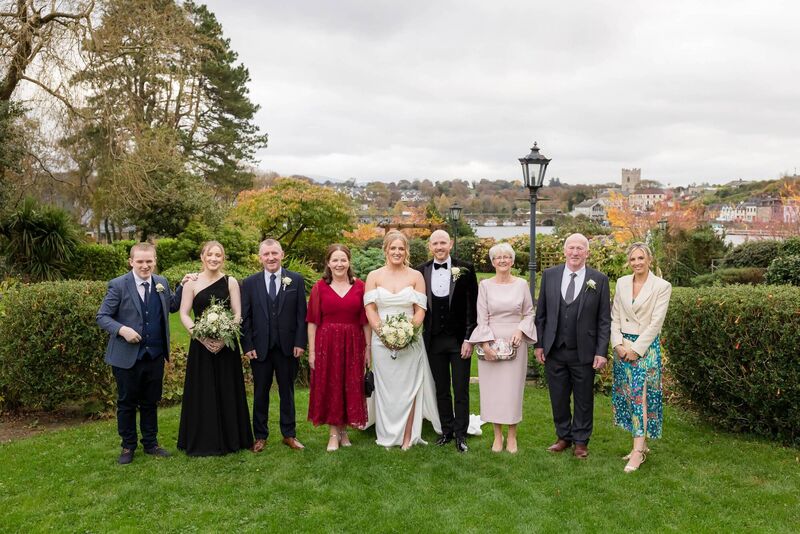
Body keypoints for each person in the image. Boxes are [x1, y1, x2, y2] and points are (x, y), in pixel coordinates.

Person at [96, 242, 186, 465]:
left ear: (155, 261)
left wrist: (183, 285)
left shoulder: (162, 283)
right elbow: (102, 316)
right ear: (131, 262)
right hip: (126, 357)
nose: (145, 266)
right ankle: (128, 446)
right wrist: (122, 330)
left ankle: (151, 444)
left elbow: (171, 307)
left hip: (154, 354)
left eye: (149, 261)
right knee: (127, 402)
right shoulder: (118, 285)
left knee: (150, 402)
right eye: (140, 261)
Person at [535, 233, 610, 459]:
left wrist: (601, 351)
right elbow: (541, 314)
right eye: (571, 248)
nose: (575, 252)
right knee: (558, 396)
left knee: (584, 398)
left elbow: (604, 319)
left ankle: (580, 440)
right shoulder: (549, 275)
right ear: (565, 250)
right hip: (555, 349)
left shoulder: (599, 279)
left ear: (587, 252)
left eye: (580, 248)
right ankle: (563, 436)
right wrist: (539, 345)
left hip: (584, 350)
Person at [363, 231, 441, 449]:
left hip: (411, 340)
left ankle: (408, 437)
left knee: (410, 388)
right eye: (393, 248)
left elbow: (420, 311)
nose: (397, 252)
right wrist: (384, 335)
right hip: (382, 342)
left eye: (401, 248)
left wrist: (407, 334)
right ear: (386, 250)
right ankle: (387, 433)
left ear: (406, 251)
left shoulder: (416, 276)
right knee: (387, 389)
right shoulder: (374, 276)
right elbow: (370, 309)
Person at [177, 241, 254, 456]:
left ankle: (232, 438)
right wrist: (199, 337)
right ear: (202, 257)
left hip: (226, 346)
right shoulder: (191, 283)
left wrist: (225, 337)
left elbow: (238, 314)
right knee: (202, 391)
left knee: (227, 390)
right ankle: (203, 439)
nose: (213, 258)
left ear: (223, 258)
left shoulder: (231, 282)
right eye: (209, 254)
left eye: (218, 255)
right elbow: (184, 313)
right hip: (200, 347)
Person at [241, 239, 308, 452]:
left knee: (287, 391)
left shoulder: (295, 280)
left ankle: (289, 434)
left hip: (287, 346)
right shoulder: (250, 283)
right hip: (259, 348)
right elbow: (246, 317)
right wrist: (248, 344)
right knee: (260, 391)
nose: (271, 258)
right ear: (260, 257)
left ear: (282, 254)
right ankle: (260, 436)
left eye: (274, 253)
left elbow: (301, 315)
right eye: (266, 254)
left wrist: (300, 342)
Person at [468, 243, 535, 453]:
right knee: (494, 391)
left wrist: (520, 330)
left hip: (515, 343)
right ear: (493, 262)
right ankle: (497, 436)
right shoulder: (485, 285)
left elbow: (530, 313)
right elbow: (482, 316)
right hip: (491, 342)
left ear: (513, 261)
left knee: (512, 390)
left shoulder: (522, 284)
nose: (503, 260)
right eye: (498, 257)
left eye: (507, 257)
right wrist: (485, 345)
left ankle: (512, 436)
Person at [611, 242, 672, 472]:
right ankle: (641, 445)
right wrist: (617, 343)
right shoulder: (622, 283)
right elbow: (615, 315)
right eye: (633, 259)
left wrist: (636, 349)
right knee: (629, 396)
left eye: (641, 258)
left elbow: (656, 322)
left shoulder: (662, 286)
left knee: (640, 397)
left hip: (644, 349)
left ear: (649, 260)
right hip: (622, 347)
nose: (637, 263)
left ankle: (637, 453)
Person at [416, 229, 478, 453]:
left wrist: (469, 338)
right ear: (430, 246)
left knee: (460, 388)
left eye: (443, 243)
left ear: (450, 244)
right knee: (441, 389)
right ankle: (447, 430)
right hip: (433, 340)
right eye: (435, 244)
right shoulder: (421, 271)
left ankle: (461, 435)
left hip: (459, 340)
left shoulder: (466, 268)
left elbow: (473, 307)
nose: (439, 247)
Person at [307, 244, 371, 451]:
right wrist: (313, 352)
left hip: (353, 343)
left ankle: (344, 432)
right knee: (332, 386)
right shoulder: (319, 287)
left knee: (349, 386)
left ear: (349, 262)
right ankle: (333, 434)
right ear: (328, 263)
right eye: (335, 260)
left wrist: (368, 348)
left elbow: (365, 321)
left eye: (343, 259)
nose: (339, 264)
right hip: (327, 344)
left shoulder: (360, 286)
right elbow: (312, 322)